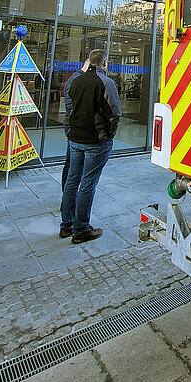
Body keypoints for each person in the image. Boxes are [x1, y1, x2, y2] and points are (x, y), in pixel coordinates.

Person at [59, 49, 120, 243]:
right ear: (105, 63)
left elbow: (71, 108)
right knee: (88, 184)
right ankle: (81, 230)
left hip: (75, 139)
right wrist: (109, 134)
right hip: (95, 141)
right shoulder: (106, 83)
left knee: (72, 181)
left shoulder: (75, 81)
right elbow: (114, 113)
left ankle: (66, 226)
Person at [60, 57, 90, 190]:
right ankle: (68, 193)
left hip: (72, 123)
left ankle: (68, 193)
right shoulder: (78, 80)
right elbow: (73, 106)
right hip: (74, 125)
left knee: (72, 162)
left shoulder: (75, 78)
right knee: (72, 163)